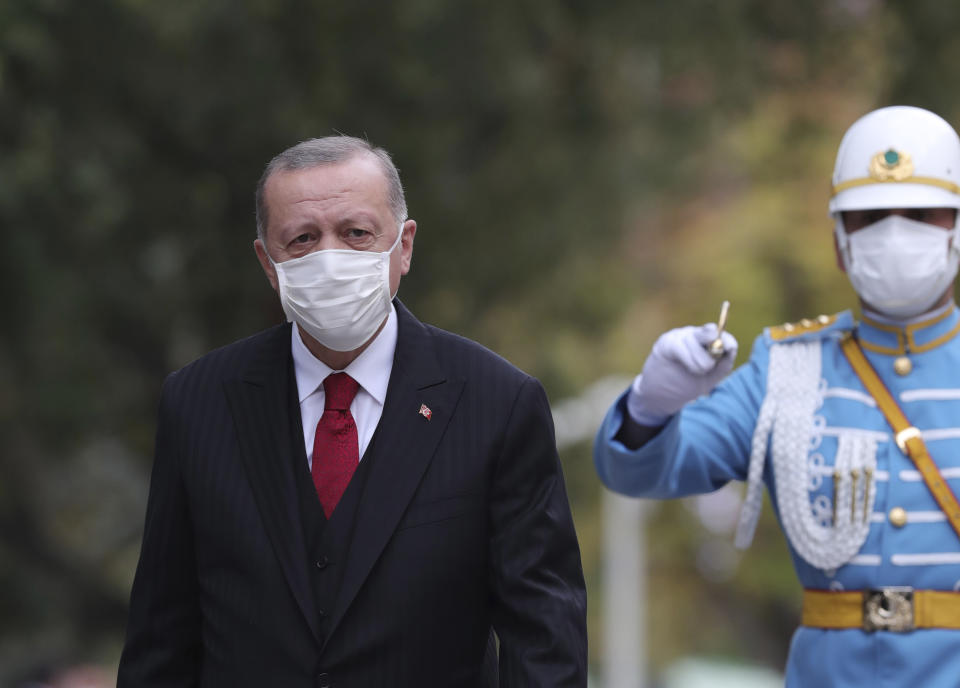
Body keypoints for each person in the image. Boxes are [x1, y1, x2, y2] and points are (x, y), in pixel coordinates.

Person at [118, 136, 587, 687]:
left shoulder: (497, 403)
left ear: (404, 245)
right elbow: (162, 635)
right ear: (268, 262)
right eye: (303, 239)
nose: (331, 258)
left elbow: (545, 638)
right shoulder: (199, 402)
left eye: (356, 233)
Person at [594, 105, 960, 687]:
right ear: (840, 241)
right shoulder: (787, 367)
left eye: (920, 213)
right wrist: (651, 406)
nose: (894, 231)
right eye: (869, 216)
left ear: (955, 229)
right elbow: (639, 474)